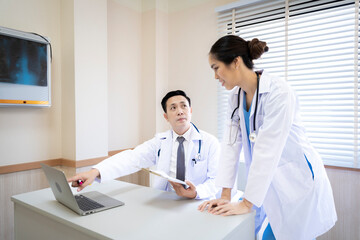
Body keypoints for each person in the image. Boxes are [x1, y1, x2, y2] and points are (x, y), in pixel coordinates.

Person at [198, 35, 337, 240]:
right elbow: (230, 145)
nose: (215, 76)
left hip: (296, 183)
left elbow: (267, 149)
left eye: (216, 67)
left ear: (236, 61)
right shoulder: (235, 97)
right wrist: (225, 194)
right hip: (269, 184)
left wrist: (246, 203)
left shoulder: (279, 93)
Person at [68, 90, 221, 200]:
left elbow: (216, 181)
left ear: (191, 110)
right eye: (173, 108)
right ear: (166, 117)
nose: (180, 111)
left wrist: (195, 193)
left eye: (184, 106)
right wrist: (95, 172)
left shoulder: (210, 142)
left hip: (198, 202)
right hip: (165, 202)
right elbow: (132, 158)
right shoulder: (160, 141)